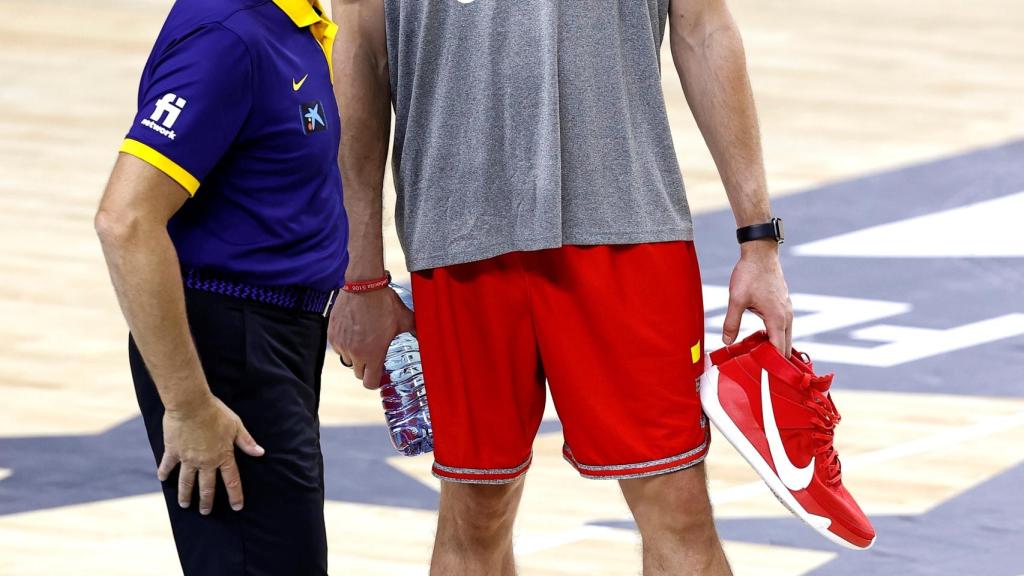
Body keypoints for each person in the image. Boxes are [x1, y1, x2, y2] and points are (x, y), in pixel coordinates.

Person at [331, 0, 792, 574]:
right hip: (458, 239)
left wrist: (758, 241)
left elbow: (703, 29)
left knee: (677, 511)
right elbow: (359, 53)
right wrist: (361, 275)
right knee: (474, 512)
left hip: (627, 231)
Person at [94, 0, 346, 574]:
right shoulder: (228, 39)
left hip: (276, 339)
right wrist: (188, 406)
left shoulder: (294, 24)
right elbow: (125, 221)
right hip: (228, 354)